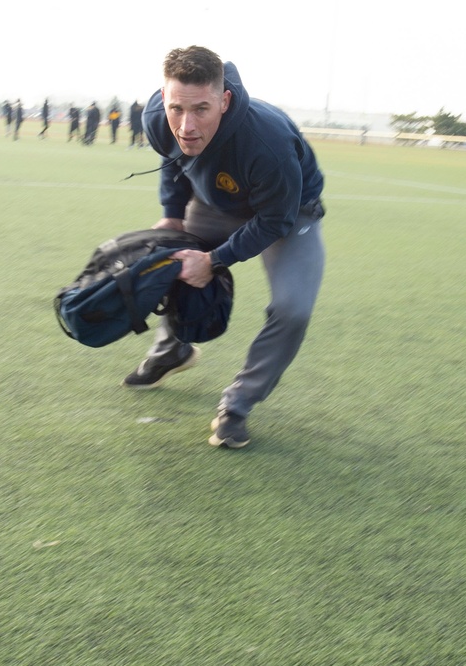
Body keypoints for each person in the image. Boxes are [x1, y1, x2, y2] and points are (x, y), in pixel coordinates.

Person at [125, 45, 325, 449]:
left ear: (224, 100)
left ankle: (238, 404)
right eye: (176, 108)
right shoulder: (157, 117)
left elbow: (274, 220)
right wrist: (172, 215)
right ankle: (171, 351)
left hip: (289, 212)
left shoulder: (267, 141)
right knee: (173, 258)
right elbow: (174, 160)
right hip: (214, 202)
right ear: (164, 98)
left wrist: (214, 261)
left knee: (293, 308)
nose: (186, 125)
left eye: (201, 109)